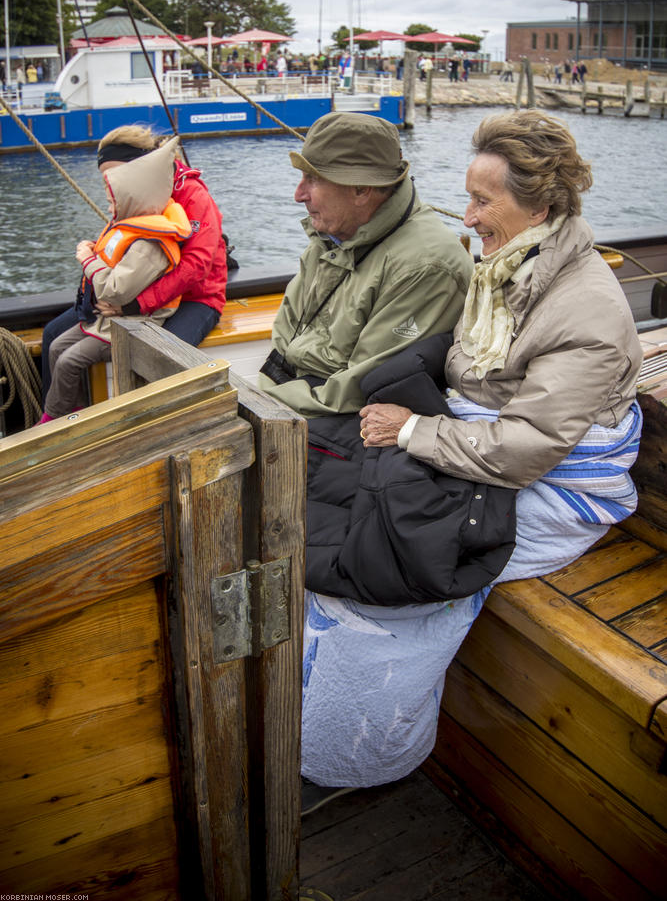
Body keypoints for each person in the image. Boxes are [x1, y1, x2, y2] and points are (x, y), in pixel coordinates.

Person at [301, 109, 642, 806]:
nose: (466, 214)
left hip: (557, 490)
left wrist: (407, 432)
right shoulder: (507, 265)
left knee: (391, 564)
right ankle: (324, 726)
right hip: (482, 448)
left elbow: (521, 451)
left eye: (483, 200)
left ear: (540, 204)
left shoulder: (587, 312)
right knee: (324, 496)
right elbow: (468, 367)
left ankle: (356, 758)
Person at [257, 111, 473, 420]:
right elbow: (284, 341)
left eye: (313, 179)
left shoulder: (427, 265)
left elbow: (360, 388)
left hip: (345, 420)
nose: (298, 194)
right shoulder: (335, 233)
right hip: (296, 399)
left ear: (361, 190)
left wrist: (261, 406)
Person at [41, 125, 227, 399]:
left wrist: (134, 305)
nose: (111, 185)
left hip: (194, 298)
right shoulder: (132, 194)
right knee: (52, 334)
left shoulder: (192, 195)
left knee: (161, 355)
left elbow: (196, 266)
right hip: (134, 291)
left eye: (116, 176)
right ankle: (58, 415)